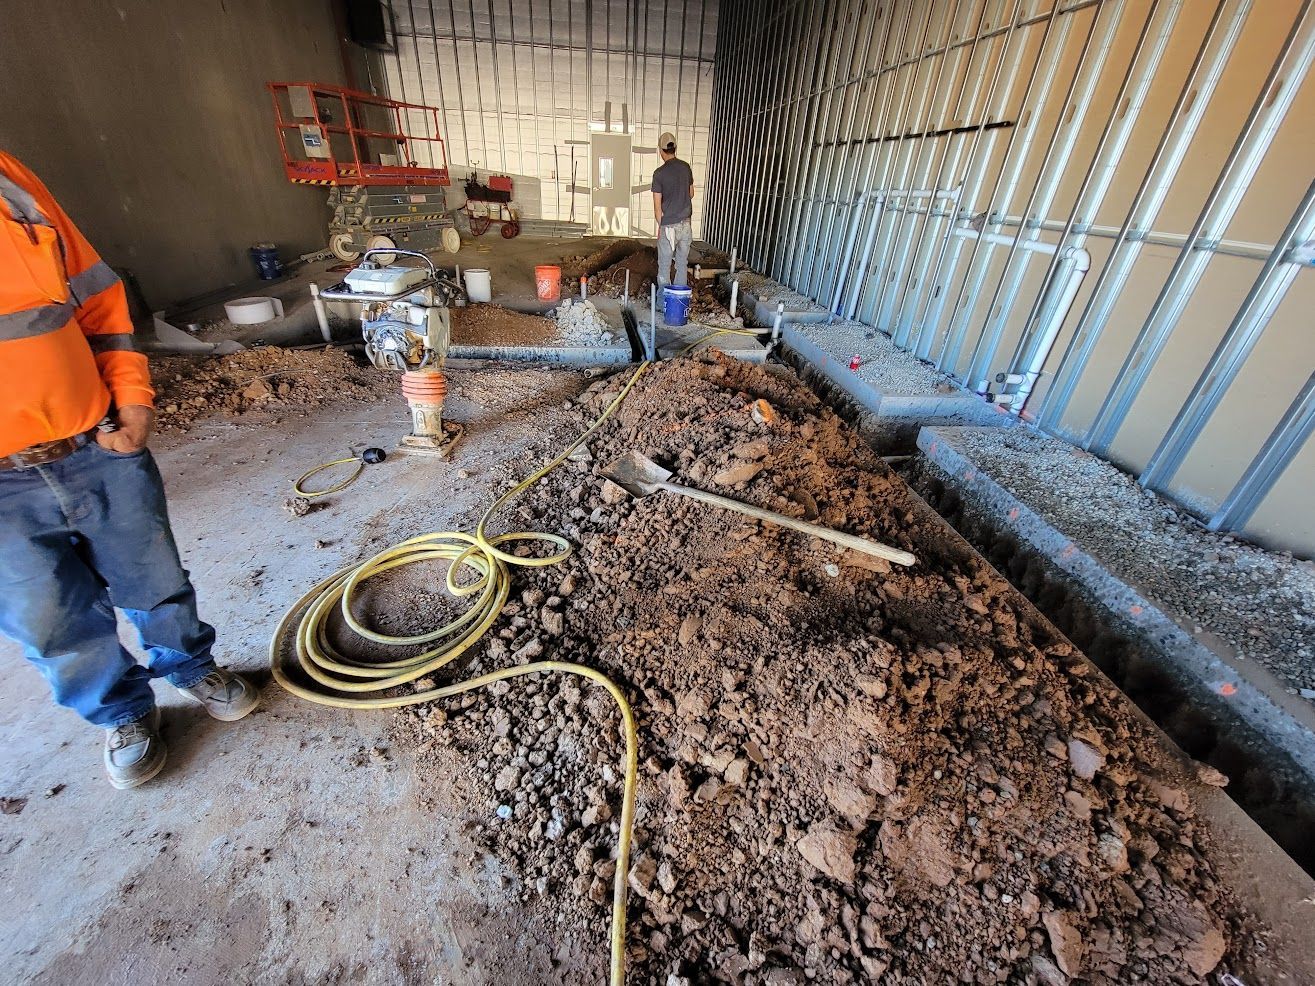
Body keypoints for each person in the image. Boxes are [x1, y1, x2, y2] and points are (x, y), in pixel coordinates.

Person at [0, 150, 258, 790]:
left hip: (97, 440)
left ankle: (191, 667)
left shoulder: (10, 178)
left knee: (154, 573)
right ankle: (123, 715)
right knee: (49, 616)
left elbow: (95, 297)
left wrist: (134, 397)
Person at [651, 131, 694, 289]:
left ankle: (663, 305)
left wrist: (661, 226)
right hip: (686, 225)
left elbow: (657, 207)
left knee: (664, 266)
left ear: (661, 151)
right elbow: (691, 193)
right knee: (682, 264)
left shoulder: (659, 174)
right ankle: (679, 302)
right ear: (675, 148)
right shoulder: (685, 168)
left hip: (668, 226)